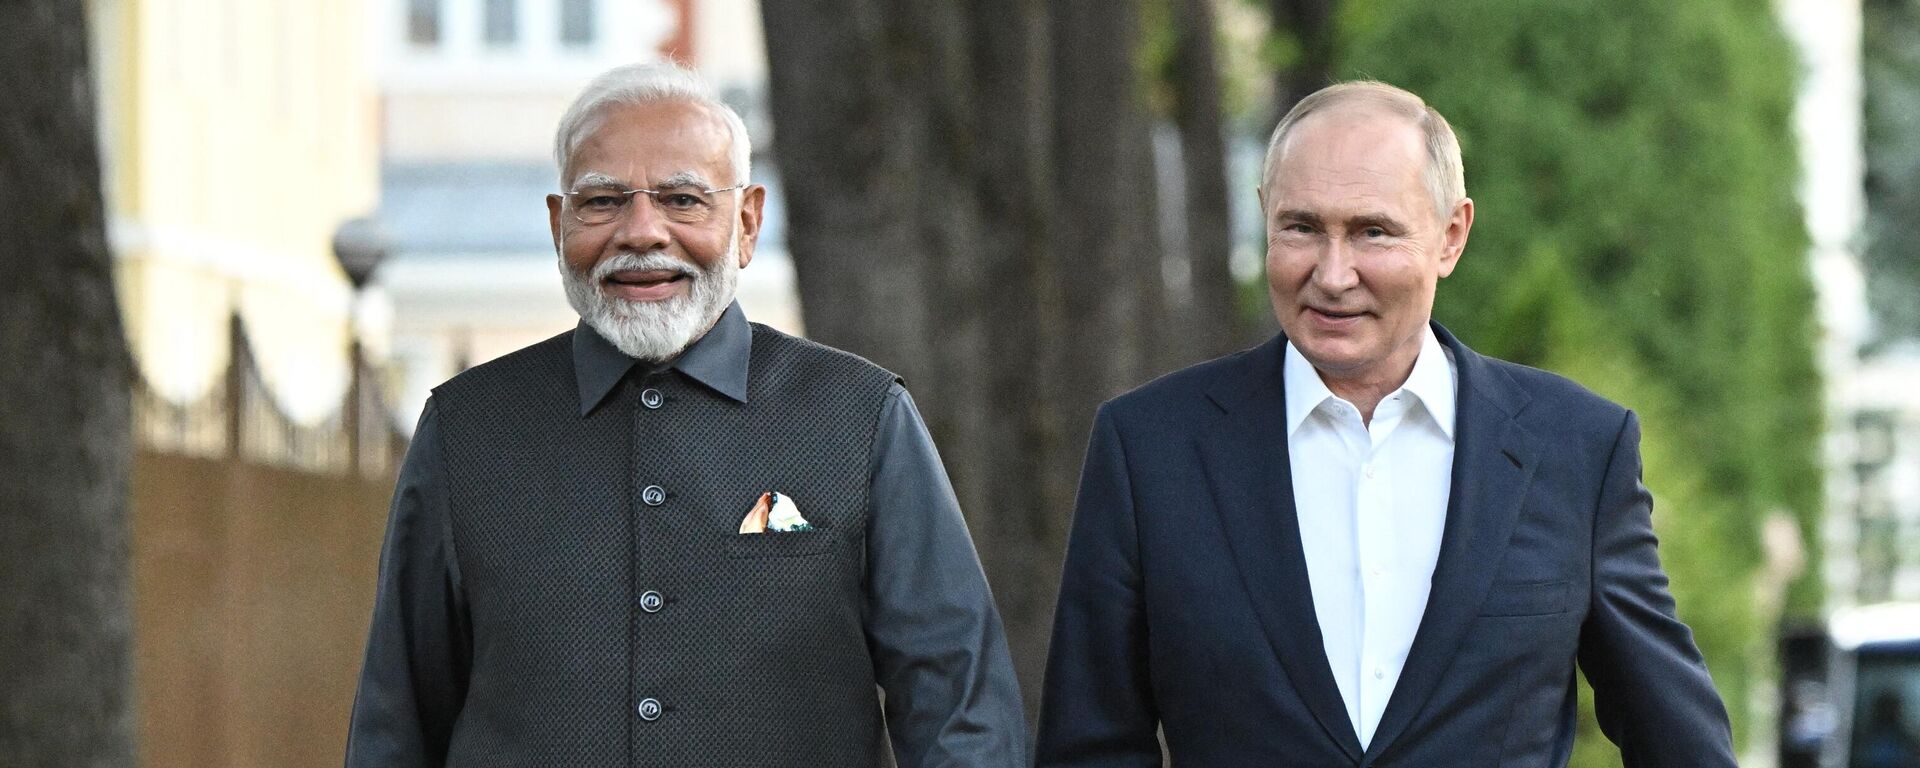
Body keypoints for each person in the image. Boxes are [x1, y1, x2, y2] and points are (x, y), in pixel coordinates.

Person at [345, 62, 1026, 767]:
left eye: (683, 199)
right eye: (603, 201)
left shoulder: (861, 418)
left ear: (748, 221)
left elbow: (960, 713)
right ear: (558, 225)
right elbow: (395, 726)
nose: (642, 232)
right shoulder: (467, 430)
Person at [1035, 81, 1736, 766]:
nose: (1333, 274)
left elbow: (1677, 739)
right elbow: (1089, 745)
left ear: (1450, 237)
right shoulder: (1150, 449)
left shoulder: (1577, 449)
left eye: (1372, 232)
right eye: (1303, 228)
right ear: (1264, 216)